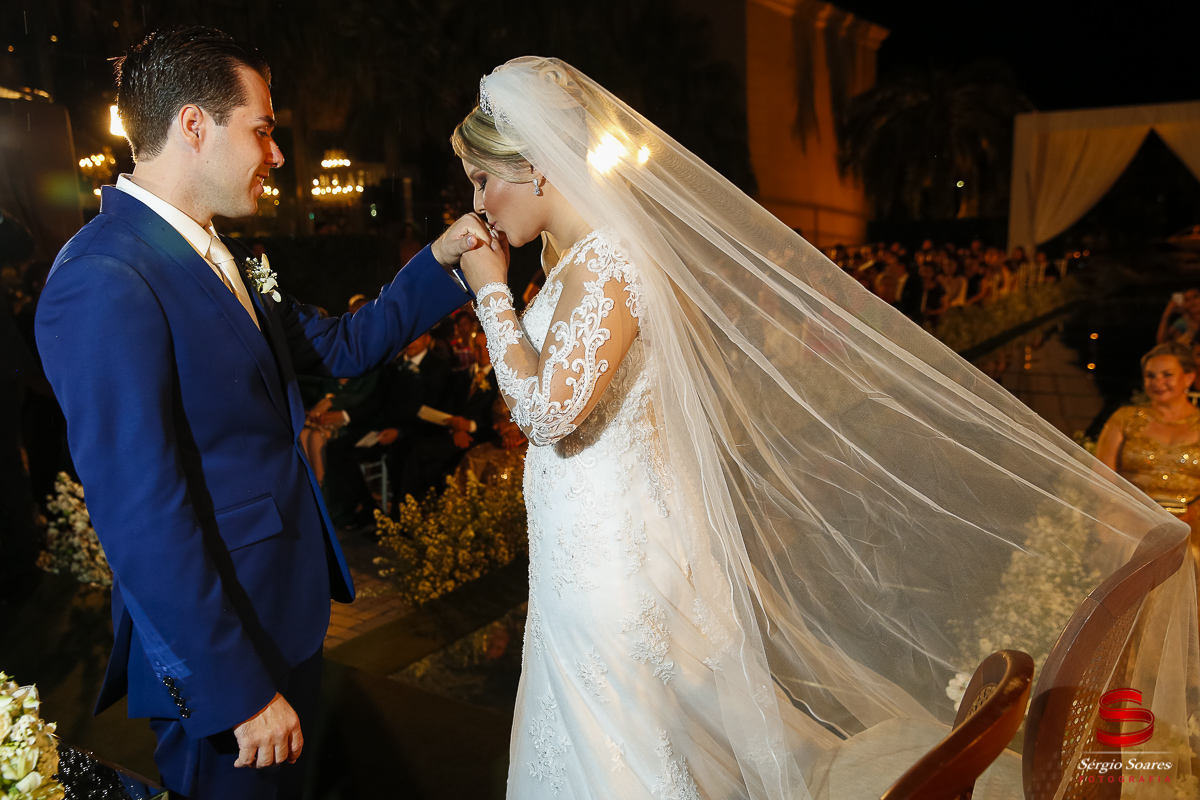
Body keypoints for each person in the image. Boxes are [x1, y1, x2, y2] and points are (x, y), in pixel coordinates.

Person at [452, 57, 1197, 799]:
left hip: (608, 559)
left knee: (619, 748)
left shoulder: (610, 260)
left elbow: (547, 412)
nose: (476, 201)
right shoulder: (576, 260)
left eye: (483, 179)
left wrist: (491, 295)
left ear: (539, 167)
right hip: (582, 545)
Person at [33, 27, 490, 800]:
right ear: (193, 125)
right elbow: (141, 514)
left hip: (281, 608)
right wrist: (234, 690)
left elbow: (345, 345)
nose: (277, 154)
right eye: (264, 128)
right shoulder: (105, 277)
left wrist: (445, 260)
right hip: (223, 651)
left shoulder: (227, 259)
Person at [1097, 343, 1200, 558]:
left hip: (1191, 520)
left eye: (1167, 375)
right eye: (1151, 376)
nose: (1158, 382)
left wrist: (1190, 515)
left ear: (1188, 378)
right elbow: (1100, 479)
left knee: (1191, 555)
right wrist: (1136, 513)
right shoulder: (1124, 419)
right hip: (1130, 517)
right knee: (1131, 548)